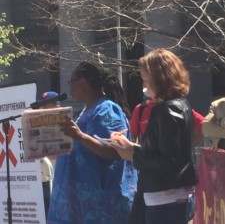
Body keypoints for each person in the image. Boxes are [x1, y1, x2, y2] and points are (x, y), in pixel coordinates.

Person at [111, 49, 198, 224]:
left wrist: (133, 155)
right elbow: (163, 151)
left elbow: (169, 161)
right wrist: (132, 147)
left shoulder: (168, 109)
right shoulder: (176, 106)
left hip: (166, 198)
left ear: (158, 79)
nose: (144, 85)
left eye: (145, 79)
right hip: (166, 196)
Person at [47, 62, 137, 224]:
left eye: (71, 82)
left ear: (83, 82)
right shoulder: (85, 111)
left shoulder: (108, 109)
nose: (70, 88)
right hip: (76, 207)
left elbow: (116, 151)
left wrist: (80, 136)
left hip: (98, 208)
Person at [130, 89, 204, 145]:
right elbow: (132, 136)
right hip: (147, 159)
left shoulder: (176, 107)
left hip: (173, 161)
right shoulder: (140, 109)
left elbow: (202, 123)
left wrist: (189, 144)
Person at [39, 91, 60, 219]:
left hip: (57, 176)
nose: (44, 110)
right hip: (42, 178)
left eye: (48, 106)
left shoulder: (66, 125)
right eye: (43, 107)